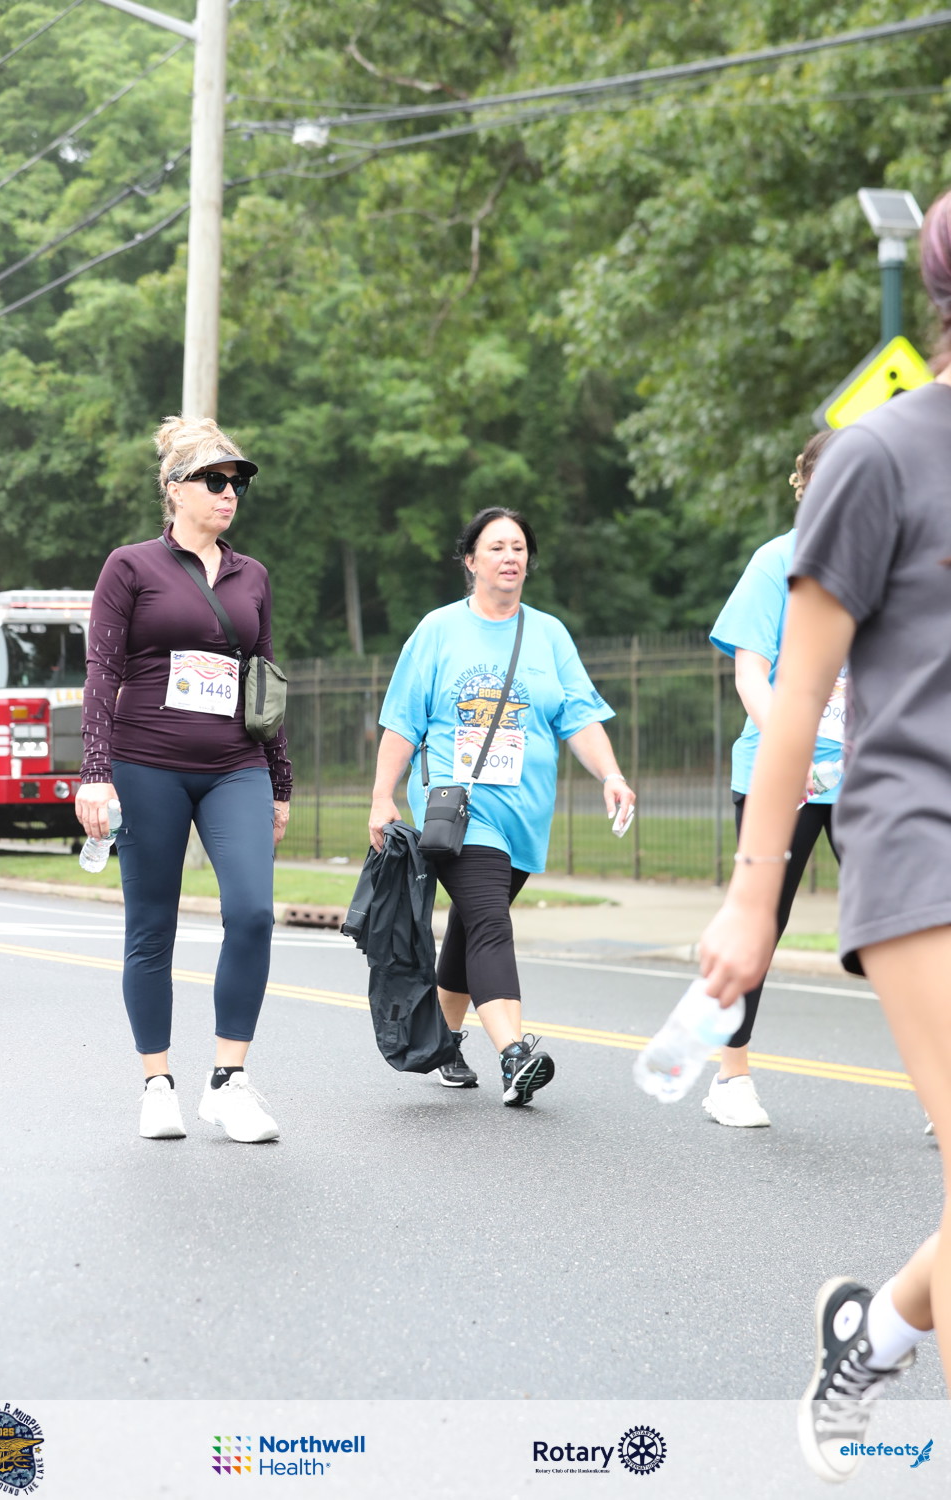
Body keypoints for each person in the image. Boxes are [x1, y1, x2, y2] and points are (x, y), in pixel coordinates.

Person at [697, 189, 951, 1482]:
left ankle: (876, 1335)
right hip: (918, 835)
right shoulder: (880, 458)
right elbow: (794, 690)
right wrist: (753, 897)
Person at [368, 506, 635, 1105]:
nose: (510, 557)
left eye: (518, 547)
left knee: (470, 926)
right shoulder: (438, 630)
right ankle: (515, 1055)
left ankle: (440, 1043)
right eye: (496, 547)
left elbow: (578, 716)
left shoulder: (549, 634)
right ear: (470, 561)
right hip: (458, 809)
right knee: (491, 920)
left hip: (524, 814)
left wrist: (611, 774)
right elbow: (403, 721)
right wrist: (383, 795)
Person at [76, 415, 292, 1144]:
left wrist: (280, 783)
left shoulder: (251, 575)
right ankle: (157, 1083)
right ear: (175, 488)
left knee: (253, 913)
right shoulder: (130, 566)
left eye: (237, 483)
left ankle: (228, 1083)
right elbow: (101, 672)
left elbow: (264, 680)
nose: (229, 493)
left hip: (235, 766)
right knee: (152, 927)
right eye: (215, 480)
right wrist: (95, 773)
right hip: (146, 766)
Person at [704, 432, 840, 1128]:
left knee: (909, 927)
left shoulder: (890, 562)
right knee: (762, 921)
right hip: (780, 773)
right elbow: (750, 674)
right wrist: (794, 746)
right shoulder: (776, 562)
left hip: (868, 774)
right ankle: (730, 1077)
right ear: (804, 484)